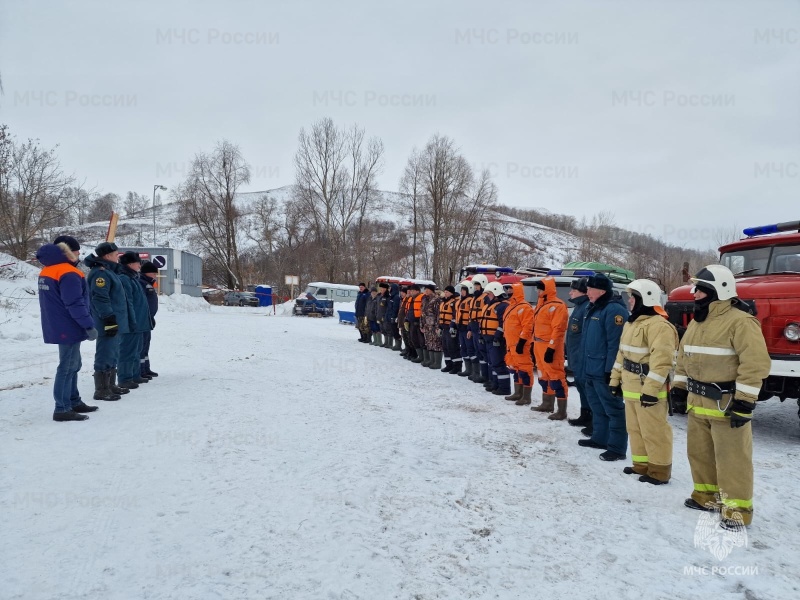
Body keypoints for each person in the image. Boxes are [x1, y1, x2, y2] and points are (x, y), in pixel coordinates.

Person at [671, 265, 770, 528]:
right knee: (699, 454)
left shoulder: (741, 321)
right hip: (698, 404)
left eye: (700, 289)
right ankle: (706, 497)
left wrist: (745, 401)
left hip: (726, 404)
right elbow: (683, 358)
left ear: (719, 291)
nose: (694, 294)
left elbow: (755, 363)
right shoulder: (697, 322)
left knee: (732, 460)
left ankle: (737, 511)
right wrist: (679, 389)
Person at [609, 279, 678, 485]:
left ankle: (659, 470)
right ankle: (641, 465)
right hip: (630, 386)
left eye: (633, 297)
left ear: (645, 299)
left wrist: (651, 390)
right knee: (635, 428)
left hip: (648, 389)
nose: (629, 301)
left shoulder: (660, 326)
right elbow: (622, 355)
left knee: (654, 431)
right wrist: (615, 380)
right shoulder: (632, 323)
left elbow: (662, 362)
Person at [36, 238, 98, 421]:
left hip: (57, 323)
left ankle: (73, 400)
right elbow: (74, 303)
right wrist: (88, 324)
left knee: (74, 364)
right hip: (69, 325)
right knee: (67, 366)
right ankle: (62, 408)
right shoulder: (68, 273)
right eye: (77, 251)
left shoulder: (47, 270)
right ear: (69, 252)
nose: (79, 254)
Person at [577, 273, 630, 461]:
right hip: (591, 368)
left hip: (603, 371)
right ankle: (600, 438)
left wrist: (610, 371)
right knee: (597, 406)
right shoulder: (594, 308)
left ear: (601, 291)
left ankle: (617, 448)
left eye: (590, 289)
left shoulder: (614, 310)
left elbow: (615, 344)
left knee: (613, 409)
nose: (587, 292)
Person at [84, 242, 128, 401]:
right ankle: (101, 389)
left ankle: (110, 385)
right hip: (106, 320)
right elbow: (100, 298)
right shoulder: (100, 274)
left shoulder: (110, 272)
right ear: (108, 256)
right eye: (116, 254)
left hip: (114, 320)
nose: (118, 257)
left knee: (113, 352)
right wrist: (109, 318)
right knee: (105, 353)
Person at [531, 276, 570, 420]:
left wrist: (552, 348)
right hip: (538, 344)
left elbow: (558, 329)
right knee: (543, 375)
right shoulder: (541, 305)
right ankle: (547, 404)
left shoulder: (558, 306)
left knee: (556, 377)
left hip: (550, 346)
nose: (537, 291)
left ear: (546, 289)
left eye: (540, 288)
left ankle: (561, 411)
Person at [117, 251, 152, 389]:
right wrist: (131, 320)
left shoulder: (133, 278)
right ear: (130, 264)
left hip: (139, 322)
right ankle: (125, 377)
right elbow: (128, 302)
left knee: (136, 349)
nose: (140, 265)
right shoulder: (125, 279)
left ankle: (134, 374)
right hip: (132, 322)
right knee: (127, 350)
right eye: (138, 263)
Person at [502, 282, 535, 405]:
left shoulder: (525, 307)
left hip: (520, 344)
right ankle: (518, 393)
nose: (508, 292)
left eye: (511, 290)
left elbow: (528, 326)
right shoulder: (510, 306)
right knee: (515, 368)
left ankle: (526, 396)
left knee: (525, 369)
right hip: (510, 344)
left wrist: (522, 341)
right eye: (507, 290)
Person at [566, 278, 593, 430]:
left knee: (587, 388)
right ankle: (585, 414)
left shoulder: (586, 307)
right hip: (576, 355)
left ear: (582, 293)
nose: (570, 293)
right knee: (581, 388)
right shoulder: (579, 306)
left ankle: (591, 418)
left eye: (573, 290)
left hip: (582, 356)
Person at [482, 282, 511, 396]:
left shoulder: (502, 306)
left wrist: (497, 337)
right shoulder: (492, 305)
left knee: (498, 363)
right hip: (489, 339)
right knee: (493, 363)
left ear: (496, 293)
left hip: (496, 340)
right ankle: (496, 384)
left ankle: (504, 388)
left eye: (489, 294)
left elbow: (502, 323)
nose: (487, 296)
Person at [139, 261, 160, 378]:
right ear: (148, 273)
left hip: (148, 319)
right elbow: (142, 303)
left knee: (146, 344)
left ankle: (146, 368)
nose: (155, 276)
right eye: (154, 273)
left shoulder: (148, 283)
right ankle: (140, 370)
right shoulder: (142, 283)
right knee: (141, 345)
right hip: (142, 319)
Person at [468, 275, 489, 383]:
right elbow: (470, 315)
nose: (475, 288)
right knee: (477, 351)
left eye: (477, 286)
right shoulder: (474, 298)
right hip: (473, 326)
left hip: (481, 328)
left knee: (482, 352)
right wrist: (469, 329)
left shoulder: (485, 298)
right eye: (475, 286)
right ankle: (479, 373)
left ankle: (485, 376)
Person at [438, 286, 461, 373]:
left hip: (451, 328)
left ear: (451, 293)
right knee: (445, 347)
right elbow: (441, 316)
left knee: (453, 347)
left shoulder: (454, 302)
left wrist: (453, 326)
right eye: (445, 292)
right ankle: (449, 364)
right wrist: (440, 327)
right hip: (444, 327)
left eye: (447, 292)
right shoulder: (443, 302)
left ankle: (457, 366)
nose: (445, 293)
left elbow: (455, 316)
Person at [455, 280, 475, 377]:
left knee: (470, 349)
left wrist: (470, 329)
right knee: (463, 349)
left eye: (464, 290)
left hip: (467, 328)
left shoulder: (470, 301)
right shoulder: (459, 301)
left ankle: (474, 371)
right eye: (461, 290)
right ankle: (468, 369)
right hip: (461, 328)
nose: (462, 292)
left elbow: (471, 316)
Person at [421, 284, 443, 369]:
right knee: (429, 343)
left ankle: (437, 362)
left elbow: (438, 314)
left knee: (436, 343)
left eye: (427, 289)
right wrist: (422, 324)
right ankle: (431, 360)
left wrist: (438, 326)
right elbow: (422, 313)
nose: (426, 291)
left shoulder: (437, 300)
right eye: (425, 289)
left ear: (432, 290)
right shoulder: (425, 299)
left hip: (434, 325)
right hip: (427, 325)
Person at [406, 285, 424, 363]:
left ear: (418, 291)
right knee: (413, 339)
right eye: (411, 291)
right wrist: (406, 319)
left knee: (421, 340)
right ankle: (418, 355)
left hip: (419, 321)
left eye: (413, 291)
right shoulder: (411, 299)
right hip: (412, 321)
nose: (411, 292)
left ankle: (423, 357)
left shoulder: (422, 298)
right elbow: (409, 310)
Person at [387, 283, 402, 351]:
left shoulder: (396, 297)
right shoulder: (391, 297)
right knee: (393, 331)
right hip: (390, 317)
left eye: (390, 288)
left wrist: (393, 317)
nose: (389, 289)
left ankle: (398, 345)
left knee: (395, 331)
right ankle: (396, 344)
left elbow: (395, 308)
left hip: (394, 317)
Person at [376, 282, 391, 348]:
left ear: (386, 289)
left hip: (385, 315)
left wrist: (386, 315)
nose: (381, 289)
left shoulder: (388, 296)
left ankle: (389, 343)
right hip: (379, 315)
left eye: (382, 288)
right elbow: (377, 306)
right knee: (382, 329)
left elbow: (388, 307)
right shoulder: (379, 296)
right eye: (380, 288)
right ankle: (385, 342)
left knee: (387, 329)